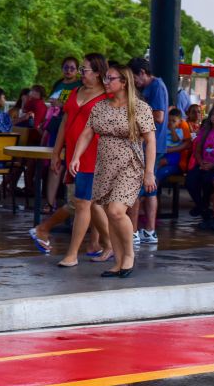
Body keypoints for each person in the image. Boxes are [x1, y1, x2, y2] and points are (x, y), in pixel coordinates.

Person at [70, 64, 157, 278]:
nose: (106, 82)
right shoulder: (100, 107)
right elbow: (87, 133)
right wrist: (75, 157)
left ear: (124, 82)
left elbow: (151, 140)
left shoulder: (140, 108)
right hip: (105, 165)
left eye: (110, 78)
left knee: (117, 211)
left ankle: (129, 256)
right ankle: (118, 262)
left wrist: (149, 172)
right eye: (106, 78)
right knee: (110, 213)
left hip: (130, 165)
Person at [48, 53, 113, 268]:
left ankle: (72, 254)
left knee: (84, 202)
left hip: (95, 155)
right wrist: (56, 152)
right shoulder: (76, 91)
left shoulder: (107, 96)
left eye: (84, 70)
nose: (80, 73)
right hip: (74, 154)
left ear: (97, 73)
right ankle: (109, 244)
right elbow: (65, 123)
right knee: (92, 204)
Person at [127, 57, 168, 245]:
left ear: (142, 73)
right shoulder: (150, 87)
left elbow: (159, 116)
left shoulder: (157, 86)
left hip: (151, 145)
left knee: (137, 189)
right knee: (150, 189)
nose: (133, 82)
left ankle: (133, 231)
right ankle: (149, 231)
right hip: (151, 145)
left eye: (134, 77)